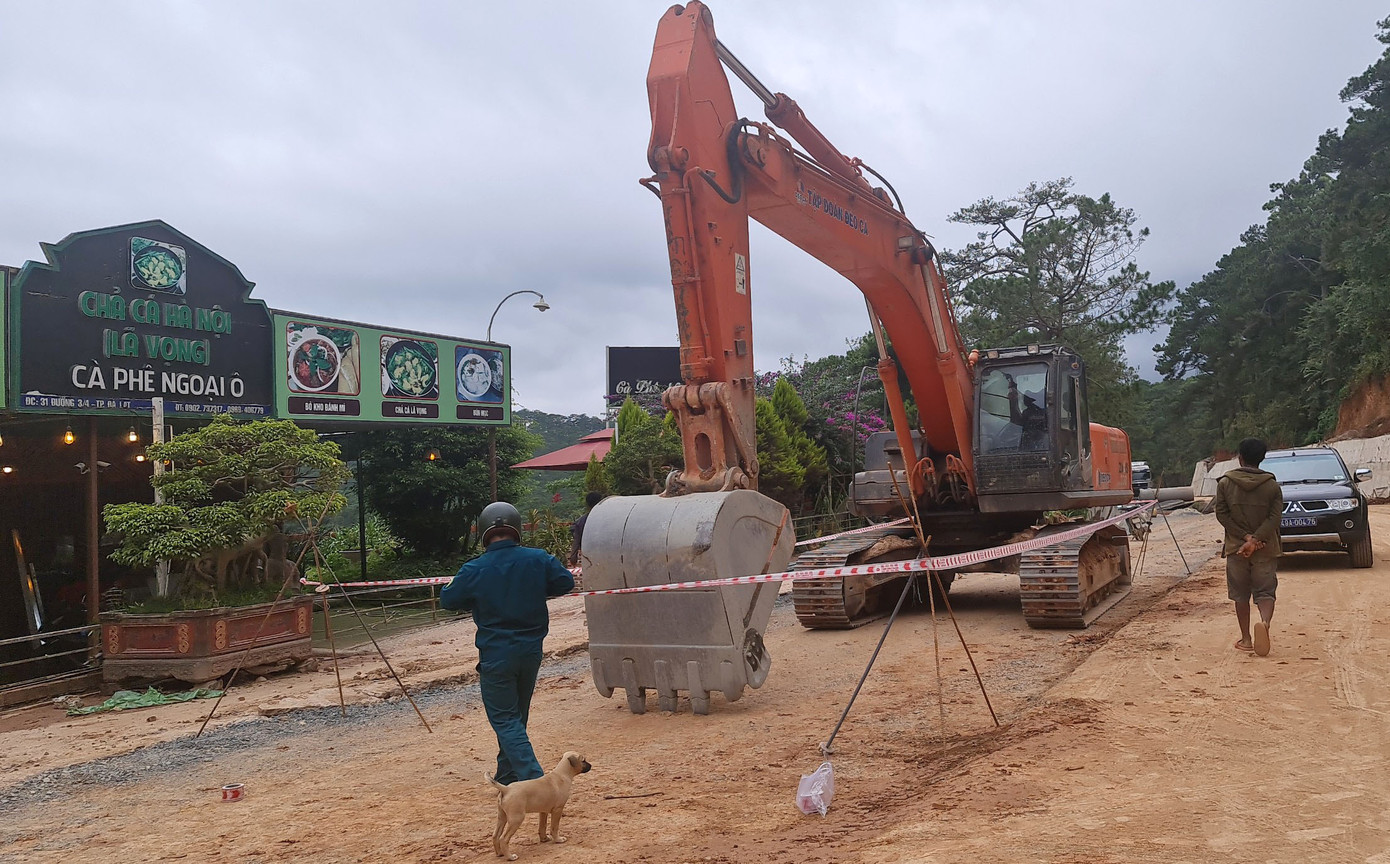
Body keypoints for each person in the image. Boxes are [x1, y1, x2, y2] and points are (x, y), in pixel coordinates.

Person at [441, 501, 574, 784]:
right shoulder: (539, 559)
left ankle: (535, 781)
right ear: (516, 529)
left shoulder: (474, 568)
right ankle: (507, 774)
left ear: (484, 533)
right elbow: (565, 582)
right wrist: (538, 587)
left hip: (496, 653)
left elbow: (448, 600)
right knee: (516, 716)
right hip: (530, 651)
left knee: (504, 719)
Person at [1213, 437, 1283, 656]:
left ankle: (1245, 639)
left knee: (1240, 595)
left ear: (1240, 458)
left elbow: (1221, 514)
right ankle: (1265, 623)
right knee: (1265, 592)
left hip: (1236, 548)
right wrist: (1256, 539)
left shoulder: (1225, 483)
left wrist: (1245, 538)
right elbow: (1275, 517)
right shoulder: (1272, 486)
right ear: (1262, 459)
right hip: (1265, 547)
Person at [1007, 378, 1048, 451]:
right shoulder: (1027, 412)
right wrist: (1013, 401)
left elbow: (1017, 422)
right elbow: (1016, 423)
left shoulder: (1045, 413)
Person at [568, 491, 604, 567]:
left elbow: (576, 540)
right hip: (606, 555)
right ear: (600, 502)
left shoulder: (581, 522)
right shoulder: (606, 519)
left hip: (588, 558)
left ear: (587, 504)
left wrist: (573, 557)